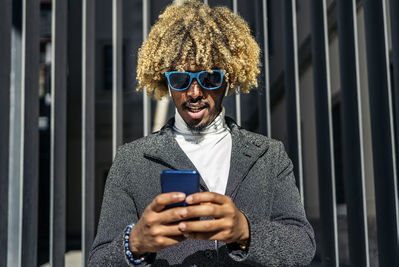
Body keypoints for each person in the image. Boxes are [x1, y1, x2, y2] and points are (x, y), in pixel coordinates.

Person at [89, 0, 315, 266]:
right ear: (166, 82)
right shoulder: (130, 162)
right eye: (181, 79)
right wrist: (133, 243)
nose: (194, 93)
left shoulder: (269, 156)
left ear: (228, 79)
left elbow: (303, 245)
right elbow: (99, 260)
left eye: (209, 79)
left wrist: (245, 231)